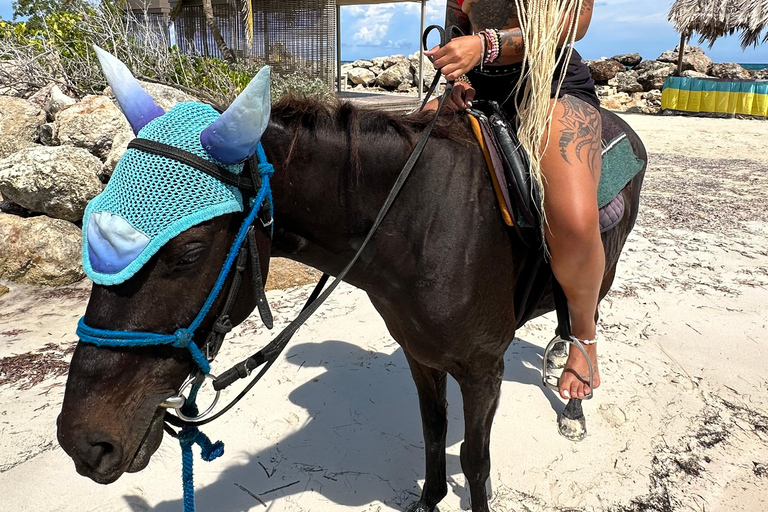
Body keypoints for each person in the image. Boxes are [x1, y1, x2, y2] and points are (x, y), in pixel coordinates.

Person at [424, 0, 603, 401]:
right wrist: (458, 79)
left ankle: (583, 338)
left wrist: (485, 46)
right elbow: (458, 30)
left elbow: (574, 24)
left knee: (573, 222)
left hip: (552, 84)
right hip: (479, 89)